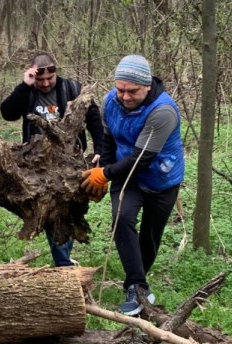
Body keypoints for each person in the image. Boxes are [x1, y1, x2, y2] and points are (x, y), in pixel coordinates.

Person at [80, 54, 184, 315]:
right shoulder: (110, 102)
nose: (125, 96)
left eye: (132, 91)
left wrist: (105, 173)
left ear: (147, 86)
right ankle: (137, 287)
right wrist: (101, 165)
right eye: (120, 89)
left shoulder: (163, 111)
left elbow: (142, 158)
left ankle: (137, 279)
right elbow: (108, 138)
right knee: (121, 217)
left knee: (150, 234)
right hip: (128, 176)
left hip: (161, 178)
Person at [0, 53, 103, 267]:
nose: (46, 84)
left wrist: (99, 149)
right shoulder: (27, 92)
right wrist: (25, 86)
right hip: (37, 164)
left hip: (70, 161)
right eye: (40, 80)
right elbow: (7, 113)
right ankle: (63, 261)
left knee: (71, 209)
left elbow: (93, 119)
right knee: (51, 210)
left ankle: (63, 258)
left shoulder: (72, 89)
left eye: (50, 78)